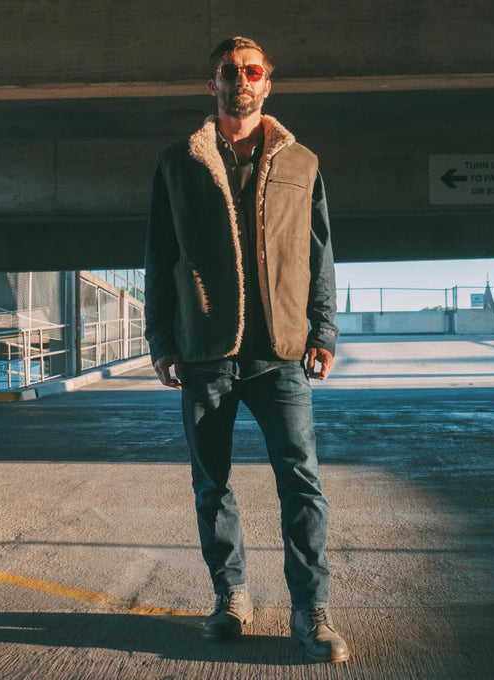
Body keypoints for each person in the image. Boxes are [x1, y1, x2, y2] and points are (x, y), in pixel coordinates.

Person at [143, 36, 348, 663]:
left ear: (268, 82)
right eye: (229, 72)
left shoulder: (302, 162)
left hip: (281, 351)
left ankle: (311, 609)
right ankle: (231, 595)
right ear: (214, 84)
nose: (241, 79)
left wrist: (324, 331)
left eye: (252, 70)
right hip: (206, 348)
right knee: (213, 485)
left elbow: (320, 257)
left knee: (302, 483)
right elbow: (160, 258)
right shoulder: (179, 164)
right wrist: (162, 341)